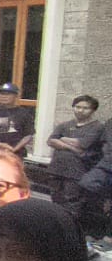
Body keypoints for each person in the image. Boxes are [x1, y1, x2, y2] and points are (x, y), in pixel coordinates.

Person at [45, 94, 104, 234]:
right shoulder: (65, 125)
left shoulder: (97, 127)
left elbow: (83, 144)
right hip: (56, 169)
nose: (80, 110)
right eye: (77, 107)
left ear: (93, 110)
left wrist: (63, 140)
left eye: (85, 108)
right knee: (56, 199)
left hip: (76, 172)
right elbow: (51, 141)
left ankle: (69, 231)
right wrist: (72, 147)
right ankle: (56, 230)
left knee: (73, 202)